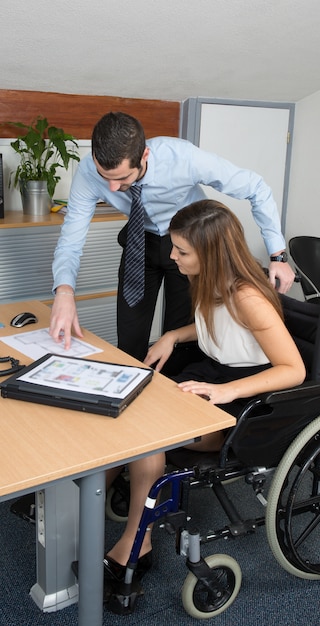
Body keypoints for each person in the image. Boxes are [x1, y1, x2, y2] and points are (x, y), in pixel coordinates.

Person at [98, 199, 305, 592]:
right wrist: (174, 335)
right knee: (127, 405)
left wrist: (225, 391)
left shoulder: (248, 297)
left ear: (208, 252)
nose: (172, 256)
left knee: (148, 433)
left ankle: (136, 546)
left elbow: (294, 370)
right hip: (211, 374)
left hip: (245, 398)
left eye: (181, 251)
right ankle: (93, 495)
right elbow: (217, 325)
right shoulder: (210, 279)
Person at [50, 112, 295, 366]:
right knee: (130, 337)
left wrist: (277, 254)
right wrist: (64, 291)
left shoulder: (181, 158)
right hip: (139, 241)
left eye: (122, 178)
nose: (112, 188)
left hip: (188, 245)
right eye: (105, 177)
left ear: (144, 156)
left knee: (181, 338)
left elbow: (256, 187)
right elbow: (71, 239)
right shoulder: (89, 171)